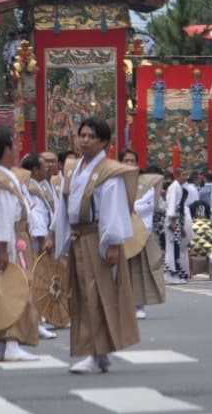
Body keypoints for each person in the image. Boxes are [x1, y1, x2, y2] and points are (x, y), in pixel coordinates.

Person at [52, 116, 139, 374]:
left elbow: (112, 208)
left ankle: (96, 351)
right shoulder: (72, 168)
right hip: (78, 238)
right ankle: (97, 352)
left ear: (103, 142)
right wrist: (54, 234)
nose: (85, 140)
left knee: (97, 296)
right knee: (82, 296)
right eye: (83, 135)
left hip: (97, 238)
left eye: (91, 136)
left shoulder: (108, 172)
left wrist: (112, 242)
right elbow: (63, 205)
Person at [0, 129, 41, 363]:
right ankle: (12, 342)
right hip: (8, 240)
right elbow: (3, 216)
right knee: (11, 292)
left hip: (10, 238)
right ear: (6, 149)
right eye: (13, 145)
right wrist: (4, 249)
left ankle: (1, 344)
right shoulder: (1, 180)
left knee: (2, 292)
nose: (15, 149)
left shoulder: (2, 176)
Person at [18, 153, 60, 339]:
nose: (48, 167)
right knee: (35, 280)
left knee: (43, 279)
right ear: (34, 170)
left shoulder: (46, 184)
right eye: (44, 164)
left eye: (52, 162)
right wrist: (43, 238)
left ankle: (41, 317)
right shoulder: (29, 187)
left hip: (46, 236)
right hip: (35, 240)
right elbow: (35, 216)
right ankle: (36, 321)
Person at [124, 155, 167, 319]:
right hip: (119, 232)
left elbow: (145, 206)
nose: (129, 164)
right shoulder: (114, 181)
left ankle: (138, 304)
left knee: (139, 270)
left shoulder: (146, 184)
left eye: (132, 161)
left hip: (141, 232)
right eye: (125, 160)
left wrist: (127, 207)